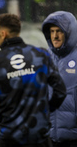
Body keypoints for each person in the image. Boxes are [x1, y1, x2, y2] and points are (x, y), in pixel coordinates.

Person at [0, 13, 66, 147]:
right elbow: (60, 91)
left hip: (10, 136)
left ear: (3, 33)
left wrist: (0, 114)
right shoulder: (41, 55)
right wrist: (44, 110)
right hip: (39, 135)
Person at [42, 11, 77, 147]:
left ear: (69, 32)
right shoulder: (45, 57)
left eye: (59, 31)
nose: (55, 36)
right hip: (49, 136)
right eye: (52, 31)